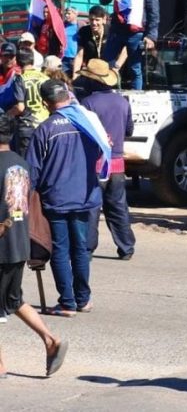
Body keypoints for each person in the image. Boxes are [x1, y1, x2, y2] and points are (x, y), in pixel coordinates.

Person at [26, 80, 108, 317]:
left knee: (61, 249)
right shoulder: (88, 124)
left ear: (45, 103)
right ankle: (83, 299)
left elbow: (33, 170)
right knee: (80, 249)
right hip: (85, 196)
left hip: (57, 198)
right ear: (67, 95)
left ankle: (67, 302)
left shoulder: (45, 129)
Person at [0, 114, 68, 378]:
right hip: (18, 244)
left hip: (2, 247)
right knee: (13, 300)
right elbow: (17, 208)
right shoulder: (20, 164)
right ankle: (51, 340)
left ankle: (1, 366)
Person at [79, 59, 136, 261]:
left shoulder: (87, 103)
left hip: (95, 164)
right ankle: (126, 247)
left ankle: (87, 248)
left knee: (92, 207)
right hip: (117, 164)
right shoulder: (122, 101)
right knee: (118, 206)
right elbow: (129, 130)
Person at [100, 0, 160, 90]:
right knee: (106, 65)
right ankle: (105, 95)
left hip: (136, 32)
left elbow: (154, 11)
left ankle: (136, 98)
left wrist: (151, 35)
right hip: (117, 30)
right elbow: (103, 0)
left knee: (134, 68)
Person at [7, 49, 49, 158]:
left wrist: (7, 115)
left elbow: (20, 107)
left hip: (27, 125)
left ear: (17, 61)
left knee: (26, 162)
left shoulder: (20, 79)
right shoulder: (44, 77)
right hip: (45, 124)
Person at [73, 6, 122, 79]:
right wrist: (75, 75)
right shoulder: (84, 31)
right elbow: (79, 55)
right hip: (92, 71)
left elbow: (125, 48)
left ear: (104, 19)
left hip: (109, 71)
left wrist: (117, 66)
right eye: (91, 19)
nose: (94, 23)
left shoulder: (112, 31)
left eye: (97, 20)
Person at [62, 7, 80, 76]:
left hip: (75, 59)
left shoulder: (81, 26)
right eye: (66, 13)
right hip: (64, 58)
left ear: (76, 14)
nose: (66, 15)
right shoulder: (63, 26)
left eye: (69, 13)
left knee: (76, 80)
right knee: (64, 78)